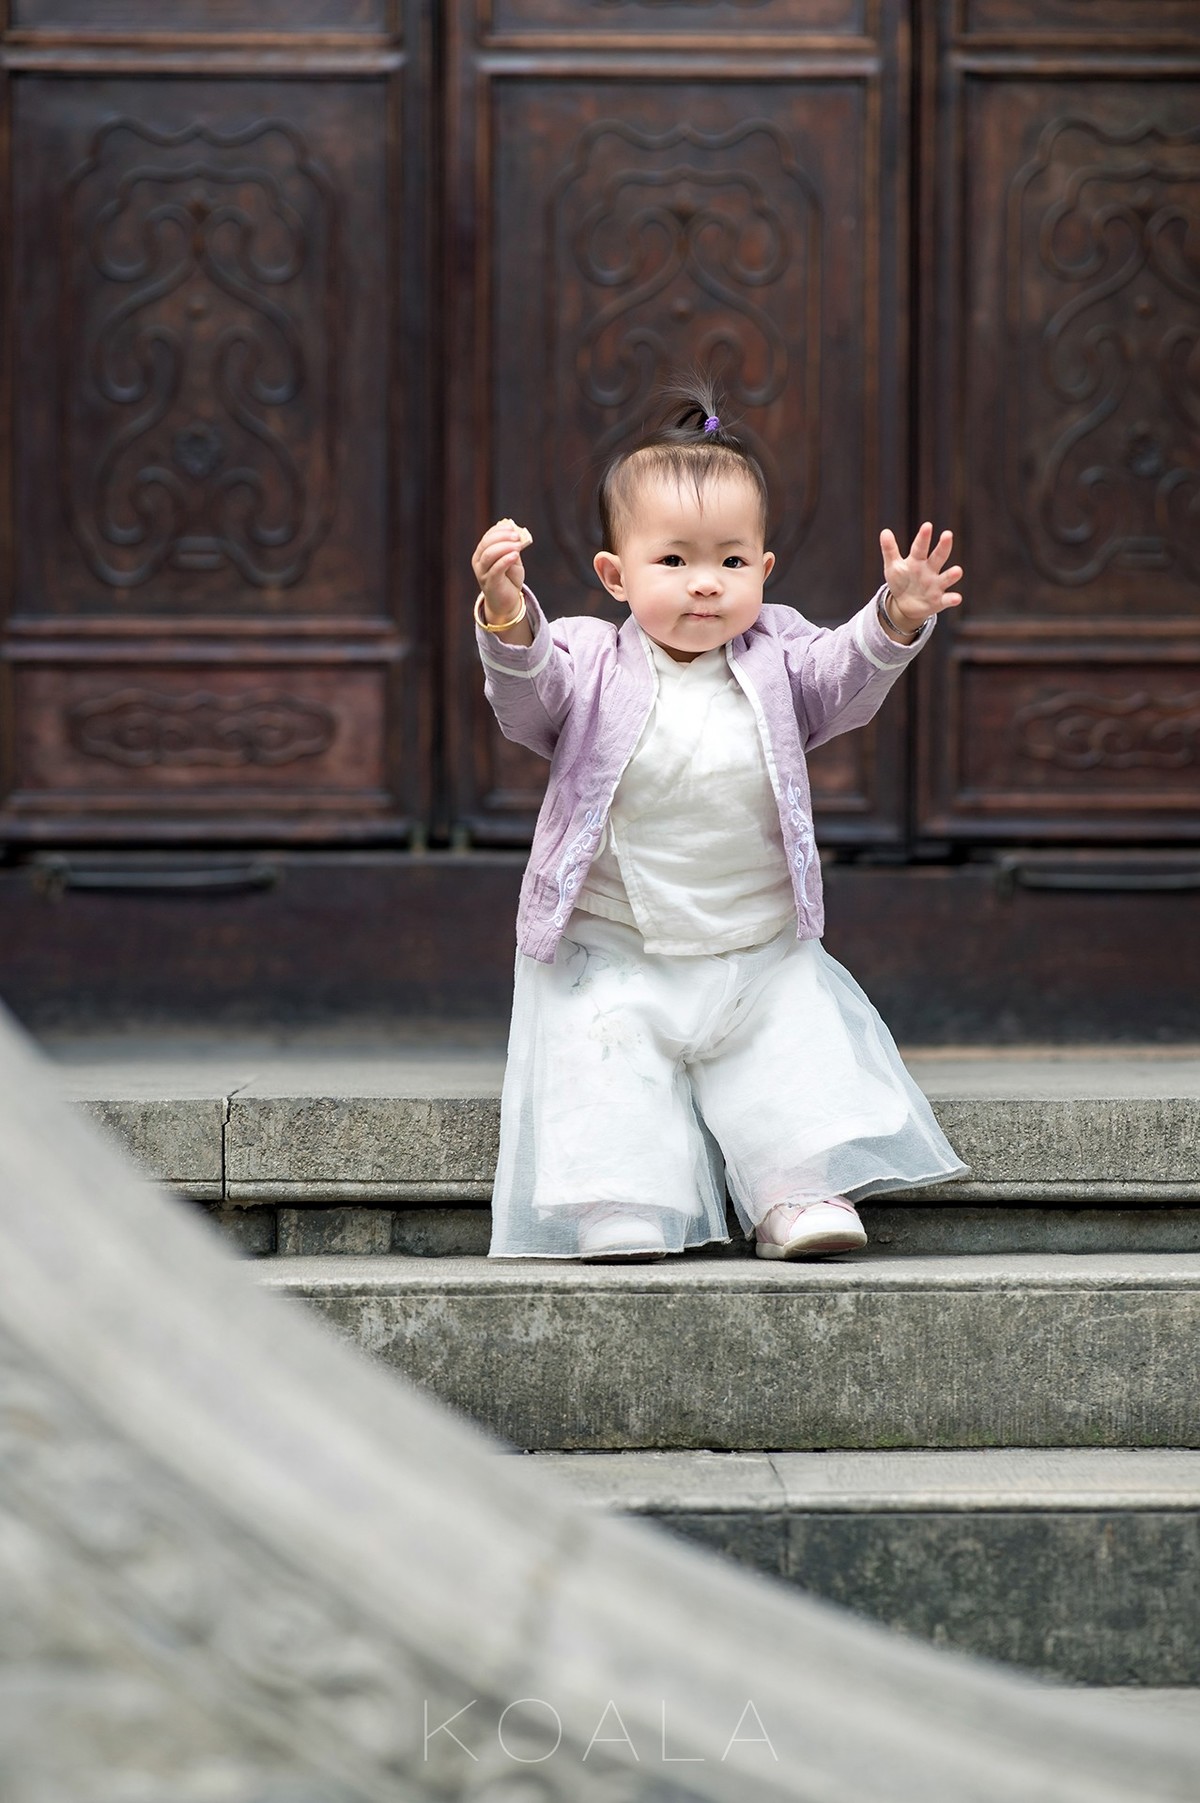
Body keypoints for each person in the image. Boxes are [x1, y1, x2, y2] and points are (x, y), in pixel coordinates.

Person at [470, 376, 968, 1263]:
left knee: (787, 1048)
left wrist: (893, 616)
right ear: (616, 576)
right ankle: (621, 1201)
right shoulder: (589, 658)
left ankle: (797, 1191)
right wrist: (510, 619)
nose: (705, 584)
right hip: (616, 938)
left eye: (732, 563)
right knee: (605, 1051)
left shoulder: (779, 654)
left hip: (752, 937)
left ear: (764, 572)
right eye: (673, 561)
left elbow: (840, 679)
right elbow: (530, 697)